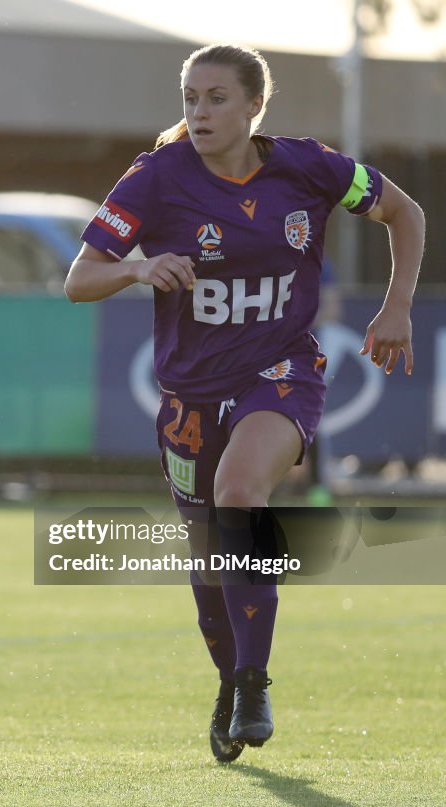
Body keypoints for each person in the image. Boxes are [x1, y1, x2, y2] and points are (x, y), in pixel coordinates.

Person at [65, 44, 424, 763]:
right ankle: (230, 680)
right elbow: (79, 278)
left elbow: (403, 211)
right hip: (190, 393)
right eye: (191, 97)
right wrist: (139, 267)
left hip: (282, 370)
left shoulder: (310, 166)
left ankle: (256, 681)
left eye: (217, 98)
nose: (199, 111)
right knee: (207, 561)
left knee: (240, 494)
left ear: (256, 104)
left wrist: (396, 307)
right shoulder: (156, 176)